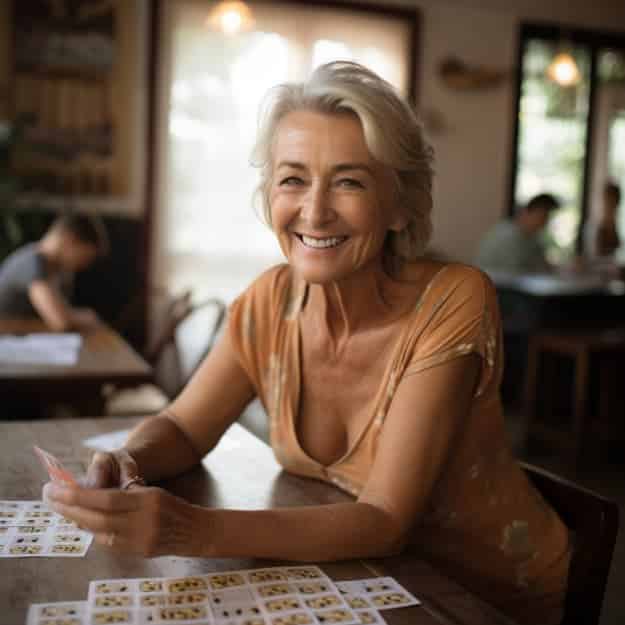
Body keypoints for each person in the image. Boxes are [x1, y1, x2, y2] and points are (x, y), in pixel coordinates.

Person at [43, 62, 570, 625]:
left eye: (349, 181)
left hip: (481, 598)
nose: (314, 211)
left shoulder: (454, 299)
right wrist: (129, 457)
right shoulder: (269, 300)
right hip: (364, 585)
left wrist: (188, 527)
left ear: (401, 205)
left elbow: (385, 519)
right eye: (293, 179)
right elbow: (182, 427)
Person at [0, 212, 108, 330]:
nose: (83, 265)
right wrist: (85, 316)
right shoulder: (32, 262)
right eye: (85, 257)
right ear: (70, 240)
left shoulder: (52, 267)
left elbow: (64, 310)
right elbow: (59, 321)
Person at [475, 193, 560, 273]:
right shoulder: (507, 235)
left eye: (547, 217)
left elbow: (543, 266)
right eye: (543, 215)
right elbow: (514, 272)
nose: (545, 221)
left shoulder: (532, 239)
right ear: (528, 212)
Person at [585, 181, 621, 259]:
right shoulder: (595, 225)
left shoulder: (614, 223)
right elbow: (592, 255)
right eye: (610, 200)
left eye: (615, 200)